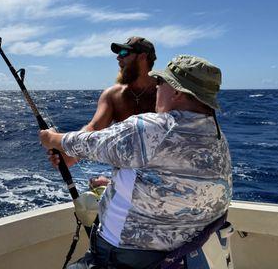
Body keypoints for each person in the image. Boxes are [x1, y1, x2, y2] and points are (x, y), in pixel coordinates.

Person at [40, 54, 232, 269]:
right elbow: (176, 184)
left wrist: (52, 138)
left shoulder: (154, 127)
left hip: (130, 258)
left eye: (160, 82)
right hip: (182, 256)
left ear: (177, 91)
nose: (156, 88)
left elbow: (89, 143)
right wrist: (115, 184)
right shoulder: (217, 137)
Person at [51, 36, 158, 184]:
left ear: (143, 57)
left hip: (162, 179)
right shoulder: (112, 95)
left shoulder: (167, 93)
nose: (118, 58)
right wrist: (71, 155)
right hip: (127, 179)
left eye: (123, 53)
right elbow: (94, 128)